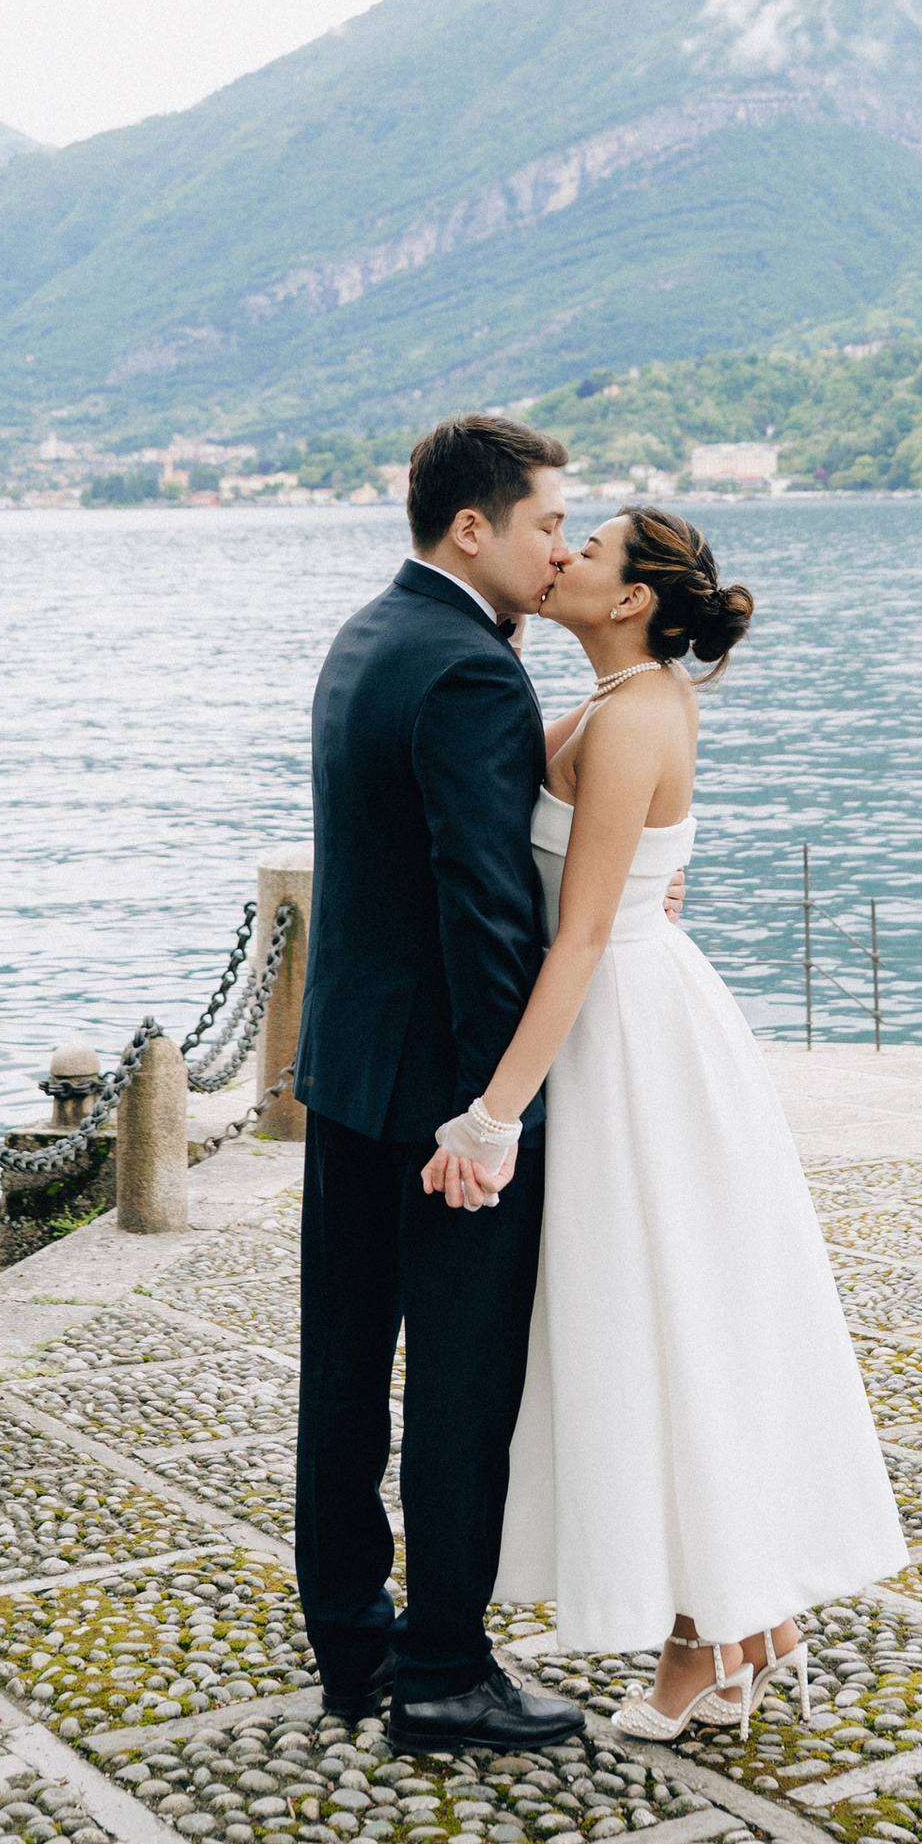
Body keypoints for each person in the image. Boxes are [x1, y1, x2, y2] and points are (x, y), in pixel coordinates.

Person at [443, 507, 906, 1734]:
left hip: (629, 1034)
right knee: (646, 1321)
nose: (563, 559)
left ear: (635, 596)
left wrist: (493, 1114)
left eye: (585, 550)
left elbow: (586, 931)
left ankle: (713, 1630)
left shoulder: (637, 714)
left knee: (664, 1320)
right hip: (618, 1020)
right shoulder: (607, 706)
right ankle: (738, 1621)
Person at [292, 413, 593, 1760]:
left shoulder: (367, 639)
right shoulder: (474, 674)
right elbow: (485, 918)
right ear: (473, 526)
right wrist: (494, 1115)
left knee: (346, 1370)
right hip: (436, 1100)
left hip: (348, 1074)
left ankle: (353, 1647)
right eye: (545, 523)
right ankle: (447, 1669)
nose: (561, 548)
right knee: (459, 1384)